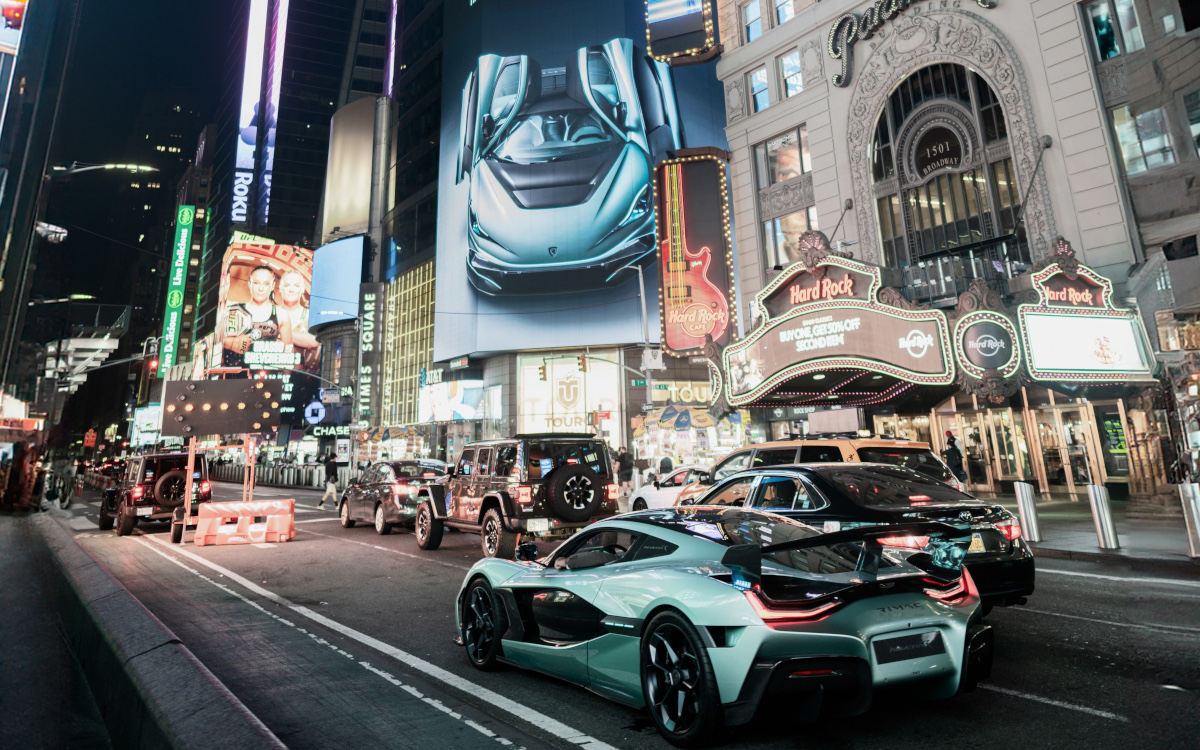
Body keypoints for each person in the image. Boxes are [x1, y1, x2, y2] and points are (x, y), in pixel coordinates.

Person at [221, 265, 292, 367]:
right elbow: (217, 348)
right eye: (256, 283)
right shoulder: (233, 310)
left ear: (272, 285)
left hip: (268, 375)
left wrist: (286, 380)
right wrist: (229, 343)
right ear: (250, 284)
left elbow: (288, 355)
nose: (261, 288)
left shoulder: (281, 314)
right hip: (235, 374)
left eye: (266, 284)